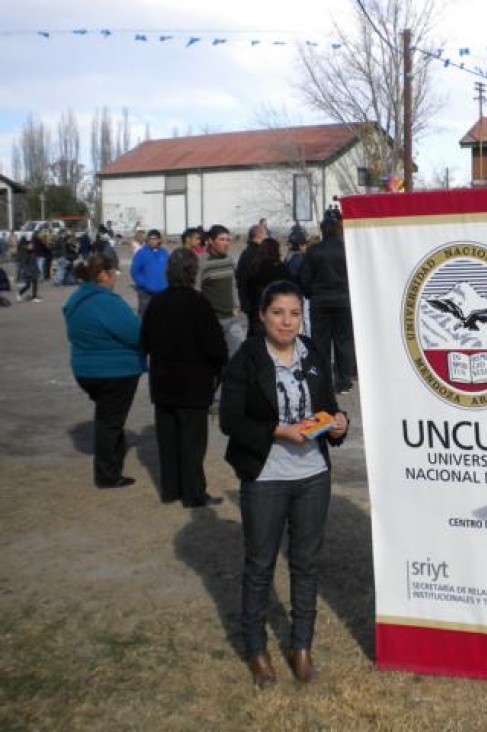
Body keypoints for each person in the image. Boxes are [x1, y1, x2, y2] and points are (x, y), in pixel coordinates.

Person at [219, 280, 349, 688]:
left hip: (313, 474)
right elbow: (230, 421)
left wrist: (337, 424)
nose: (287, 321)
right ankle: (257, 650)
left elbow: (327, 402)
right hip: (266, 476)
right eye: (278, 313)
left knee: (306, 563)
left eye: (294, 313)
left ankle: (301, 647)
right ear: (261, 316)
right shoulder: (247, 359)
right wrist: (278, 430)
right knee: (260, 566)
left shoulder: (311, 351)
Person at [140, 249, 228, 507]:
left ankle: (171, 490)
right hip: (192, 384)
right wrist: (218, 367)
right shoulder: (198, 303)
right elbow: (215, 346)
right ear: (192, 273)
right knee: (192, 441)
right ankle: (193, 493)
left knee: (168, 440)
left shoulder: (156, 302)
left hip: (164, 382)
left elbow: (144, 340)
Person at [62, 254, 145, 489]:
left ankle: (113, 464)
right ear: (102, 275)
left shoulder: (77, 298)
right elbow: (135, 334)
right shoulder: (107, 302)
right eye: (113, 274)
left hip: (86, 369)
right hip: (114, 371)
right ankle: (107, 474)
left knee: (109, 418)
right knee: (110, 422)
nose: (115, 279)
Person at [299, 215, 356, 394]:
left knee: (320, 342)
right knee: (344, 341)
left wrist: (311, 294)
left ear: (323, 230)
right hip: (344, 301)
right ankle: (344, 380)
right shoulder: (348, 250)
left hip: (320, 301)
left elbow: (304, 278)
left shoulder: (313, 251)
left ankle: (322, 380)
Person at [198, 224, 246, 359]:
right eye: (222, 239)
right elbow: (195, 290)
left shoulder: (229, 260)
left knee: (239, 355)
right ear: (211, 241)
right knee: (213, 358)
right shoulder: (202, 262)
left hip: (231, 317)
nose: (226, 243)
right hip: (212, 320)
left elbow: (232, 284)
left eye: (227, 240)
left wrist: (236, 306)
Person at [130, 228, 169, 315]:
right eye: (150, 239)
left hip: (162, 292)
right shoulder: (141, 253)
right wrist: (144, 283)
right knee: (144, 316)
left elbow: (169, 269)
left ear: (159, 240)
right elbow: (134, 271)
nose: (152, 241)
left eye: (154, 239)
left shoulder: (164, 253)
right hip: (145, 292)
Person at [16, 235, 42, 303]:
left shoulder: (33, 252)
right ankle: (19, 293)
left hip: (34, 271)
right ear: (26, 246)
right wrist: (27, 272)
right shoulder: (25, 253)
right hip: (28, 272)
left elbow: (35, 263)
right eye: (30, 245)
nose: (32, 246)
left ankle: (34, 297)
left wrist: (38, 271)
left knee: (35, 284)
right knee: (27, 285)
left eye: (32, 245)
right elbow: (24, 264)